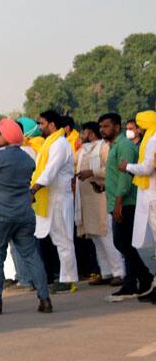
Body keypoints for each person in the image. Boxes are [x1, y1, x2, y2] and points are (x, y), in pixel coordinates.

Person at [0, 119, 53, 314]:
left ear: (5, 137)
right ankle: (45, 299)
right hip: (24, 213)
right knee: (31, 255)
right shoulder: (27, 159)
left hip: (0, 214)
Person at [100, 113, 155, 302]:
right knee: (124, 243)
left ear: (117, 126)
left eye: (106, 126)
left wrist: (118, 203)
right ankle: (133, 283)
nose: (103, 130)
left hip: (125, 202)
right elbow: (116, 175)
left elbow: (125, 176)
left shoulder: (124, 145)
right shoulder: (115, 146)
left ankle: (145, 276)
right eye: (101, 127)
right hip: (120, 200)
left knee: (122, 243)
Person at [29, 110, 78, 293]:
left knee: (64, 240)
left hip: (59, 198)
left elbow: (50, 171)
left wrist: (33, 189)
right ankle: (65, 277)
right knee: (58, 240)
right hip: (50, 197)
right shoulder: (50, 144)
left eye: (41, 123)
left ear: (51, 125)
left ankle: (69, 279)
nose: (39, 127)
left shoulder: (60, 144)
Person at [75, 121, 125, 286]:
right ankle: (106, 272)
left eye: (83, 132)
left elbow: (110, 169)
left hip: (101, 197)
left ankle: (119, 272)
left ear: (90, 133)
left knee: (106, 236)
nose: (81, 136)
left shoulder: (103, 148)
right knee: (96, 237)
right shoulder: (83, 150)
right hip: (87, 201)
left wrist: (92, 172)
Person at [120, 110, 156, 303]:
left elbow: (147, 168)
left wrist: (128, 167)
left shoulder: (152, 140)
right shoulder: (150, 138)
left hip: (152, 197)